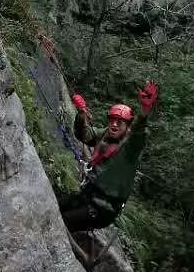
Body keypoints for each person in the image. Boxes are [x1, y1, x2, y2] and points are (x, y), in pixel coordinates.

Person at [57, 80, 159, 232]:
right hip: (87, 196)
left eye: (120, 122)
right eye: (112, 121)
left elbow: (138, 136)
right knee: (56, 205)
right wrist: (81, 113)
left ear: (127, 127)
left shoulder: (129, 150)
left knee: (62, 222)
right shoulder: (105, 135)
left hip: (102, 210)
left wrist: (144, 113)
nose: (114, 125)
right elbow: (84, 135)